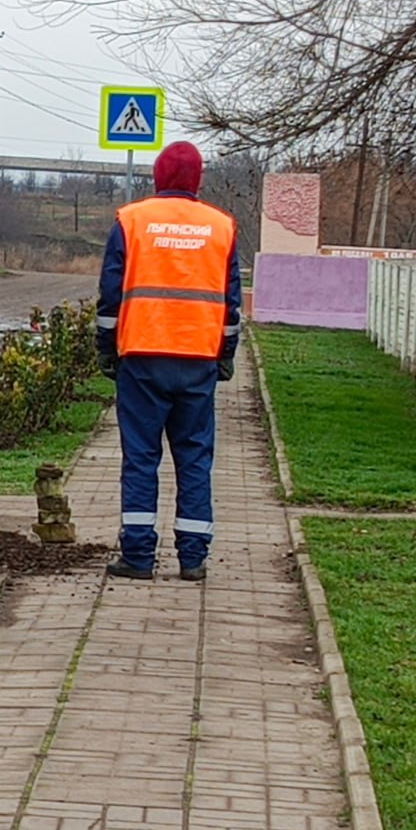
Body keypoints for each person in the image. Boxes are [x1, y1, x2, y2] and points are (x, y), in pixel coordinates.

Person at [95, 141, 242, 581]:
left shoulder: (131, 220)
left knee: (141, 457)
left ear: (157, 176)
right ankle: (193, 558)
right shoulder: (222, 226)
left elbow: (110, 297)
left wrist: (106, 351)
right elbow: (231, 304)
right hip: (198, 359)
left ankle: (138, 556)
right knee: (194, 458)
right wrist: (226, 356)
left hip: (142, 356)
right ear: (197, 180)